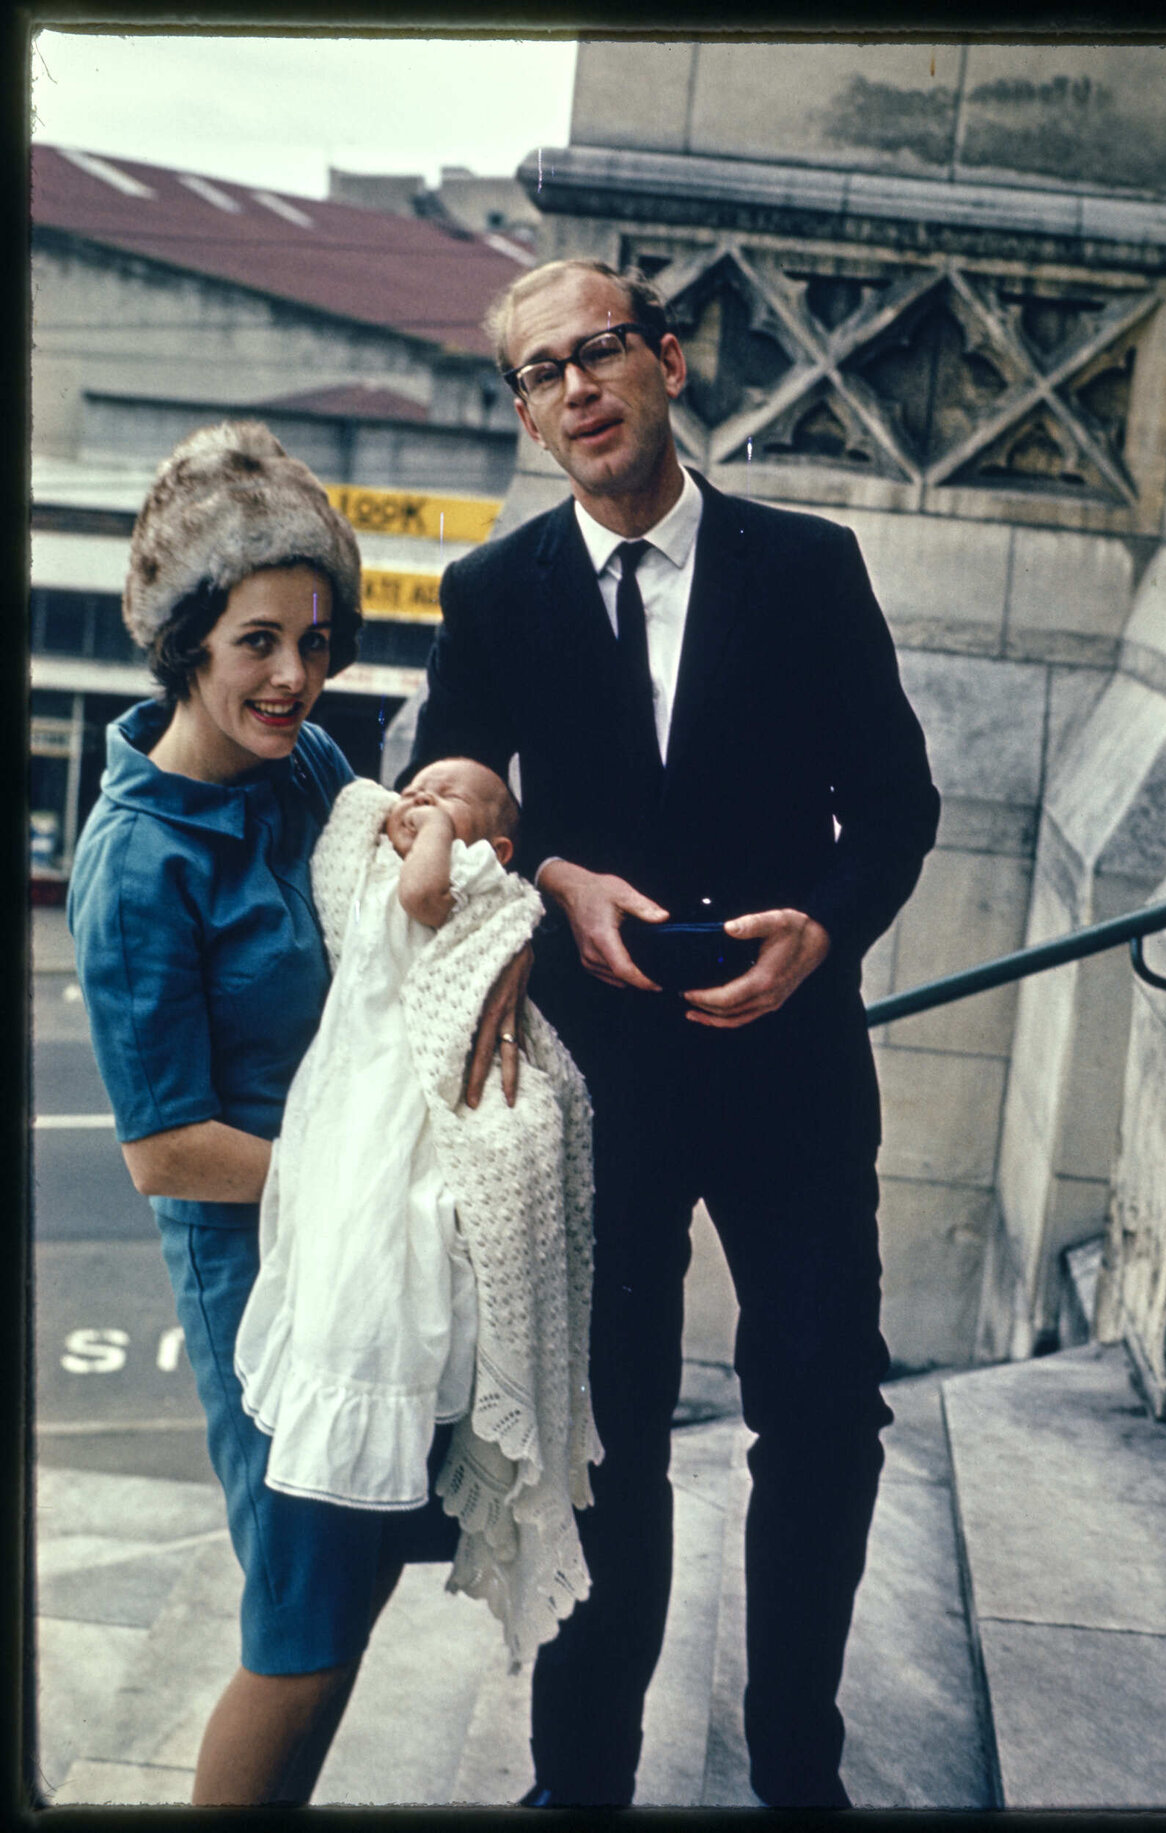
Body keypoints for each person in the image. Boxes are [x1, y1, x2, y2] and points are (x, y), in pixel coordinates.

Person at [400, 258, 942, 1809]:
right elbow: (455, 789)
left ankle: (795, 1766)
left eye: (598, 354)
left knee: (825, 1415)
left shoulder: (808, 565)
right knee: (606, 1437)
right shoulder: (490, 592)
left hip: (792, 1063)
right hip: (598, 1080)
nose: (572, 389)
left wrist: (822, 930)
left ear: (669, 363)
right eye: (536, 373)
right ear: (521, 407)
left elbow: (895, 807)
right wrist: (550, 868)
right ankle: (582, 1782)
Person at [67, 422, 455, 1806]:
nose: (298, 676)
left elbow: (393, 847)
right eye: (256, 642)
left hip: (348, 1246)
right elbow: (166, 1148)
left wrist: (444, 824)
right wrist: (366, 1181)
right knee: (294, 1629)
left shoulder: (295, 772)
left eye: (318, 637)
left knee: (340, 1605)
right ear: (186, 644)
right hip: (260, 1270)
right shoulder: (134, 863)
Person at [234, 757, 600, 1664]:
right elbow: (349, 840)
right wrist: (394, 816)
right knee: (346, 1262)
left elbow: (428, 900)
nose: (421, 798)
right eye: (417, 783)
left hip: (406, 1084)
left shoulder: (476, 878)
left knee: (411, 1237)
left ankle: (398, 1444)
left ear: (495, 842)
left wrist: (431, 834)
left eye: (453, 796)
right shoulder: (370, 843)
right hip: (347, 1076)